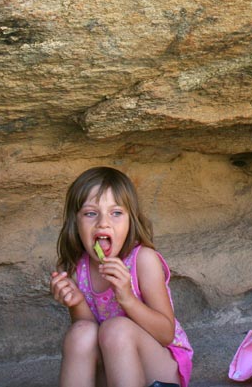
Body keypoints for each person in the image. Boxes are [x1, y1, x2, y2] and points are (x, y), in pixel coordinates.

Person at [50, 166, 193, 387]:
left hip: (160, 367)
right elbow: (90, 336)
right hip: (114, 368)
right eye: (90, 213)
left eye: (116, 213)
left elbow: (165, 334)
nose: (103, 223)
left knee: (116, 328)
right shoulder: (75, 268)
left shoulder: (143, 261)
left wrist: (127, 297)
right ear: (75, 222)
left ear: (130, 220)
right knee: (80, 333)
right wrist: (76, 301)